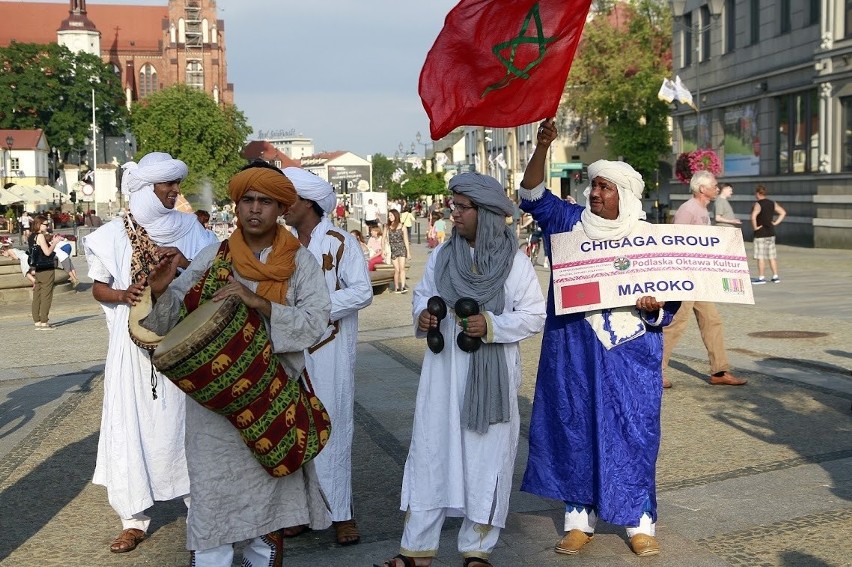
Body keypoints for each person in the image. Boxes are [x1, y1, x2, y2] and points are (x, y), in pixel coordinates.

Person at [143, 162, 332, 566]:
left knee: (266, 520)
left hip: (273, 401)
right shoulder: (213, 257)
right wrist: (161, 293)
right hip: (213, 411)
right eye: (248, 199)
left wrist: (259, 303)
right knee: (212, 509)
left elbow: (315, 323)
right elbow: (172, 319)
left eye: (265, 201)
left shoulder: (300, 263)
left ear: (281, 208)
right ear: (238, 203)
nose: (255, 209)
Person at [519, 119, 681, 558]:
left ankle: (639, 522)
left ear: (624, 195)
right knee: (576, 428)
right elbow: (531, 195)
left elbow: (673, 295)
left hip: (631, 354)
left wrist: (657, 305)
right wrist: (542, 147)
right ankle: (578, 521)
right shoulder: (569, 222)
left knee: (634, 432)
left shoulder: (649, 238)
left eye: (605, 188)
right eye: (593, 186)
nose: (595, 193)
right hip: (575, 349)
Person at [374, 173, 546, 567]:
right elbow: (423, 296)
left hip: (492, 378)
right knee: (432, 453)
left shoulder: (515, 263)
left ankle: (477, 550)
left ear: (485, 213)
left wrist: (494, 325)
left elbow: (534, 315)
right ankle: (415, 551)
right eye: (454, 207)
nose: (454, 215)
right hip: (442, 374)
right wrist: (423, 317)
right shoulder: (441, 256)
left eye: (461, 207)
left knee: (486, 458)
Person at [82, 152, 219, 553]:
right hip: (131, 349)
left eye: (176, 185)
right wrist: (123, 295)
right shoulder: (111, 235)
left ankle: (201, 510)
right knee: (132, 426)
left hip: (183, 342)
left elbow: (211, 278)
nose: (175, 192)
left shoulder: (192, 230)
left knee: (187, 424)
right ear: (144, 189)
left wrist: (183, 264)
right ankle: (133, 519)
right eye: (167, 186)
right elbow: (98, 287)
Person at [280, 166, 373, 545]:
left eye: (288, 200)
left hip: (330, 350)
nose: (282, 207)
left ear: (306, 203)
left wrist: (314, 308)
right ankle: (300, 512)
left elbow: (361, 292)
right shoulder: (279, 245)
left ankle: (341, 514)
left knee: (333, 428)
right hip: (288, 351)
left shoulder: (339, 242)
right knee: (292, 429)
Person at [661, 171, 747, 388]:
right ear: (702, 189)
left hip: (699, 278)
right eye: (714, 186)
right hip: (685, 278)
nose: (717, 188)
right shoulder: (688, 209)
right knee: (675, 324)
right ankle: (655, 371)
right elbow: (674, 241)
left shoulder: (702, 210)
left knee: (712, 320)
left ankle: (719, 371)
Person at [29, 214, 62, 328]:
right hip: (46, 268)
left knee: (37, 295)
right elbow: (47, 252)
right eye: (46, 224)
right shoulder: (40, 236)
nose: (47, 227)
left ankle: (36, 320)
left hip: (38, 269)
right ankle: (44, 321)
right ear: (39, 224)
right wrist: (55, 243)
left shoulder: (31, 236)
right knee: (46, 295)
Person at [750, 184, 786, 284]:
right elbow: (783, 212)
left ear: (757, 193)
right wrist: (775, 223)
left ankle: (761, 277)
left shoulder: (758, 204)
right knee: (772, 256)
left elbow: (753, 217)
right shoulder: (772, 203)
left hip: (761, 233)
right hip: (771, 232)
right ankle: (775, 276)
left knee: (760, 256)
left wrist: (755, 228)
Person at [386, 209, 411, 293]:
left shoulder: (402, 226)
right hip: (393, 249)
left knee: (402, 268)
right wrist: (383, 250)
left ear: (396, 216)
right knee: (396, 269)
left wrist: (408, 252)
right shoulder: (387, 227)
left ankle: (403, 286)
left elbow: (406, 240)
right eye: (389, 216)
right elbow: (384, 239)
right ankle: (396, 286)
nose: (390, 217)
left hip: (401, 248)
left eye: (391, 215)